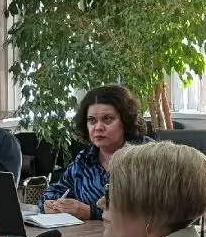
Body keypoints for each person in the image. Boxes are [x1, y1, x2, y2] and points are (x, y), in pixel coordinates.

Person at [40, 84, 149, 220]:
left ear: (126, 120)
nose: (98, 127)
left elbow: (151, 207)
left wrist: (91, 212)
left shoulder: (149, 154)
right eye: (92, 120)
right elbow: (55, 190)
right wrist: (49, 204)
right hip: (88, 233)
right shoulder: (85, 158)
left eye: (107, 119)